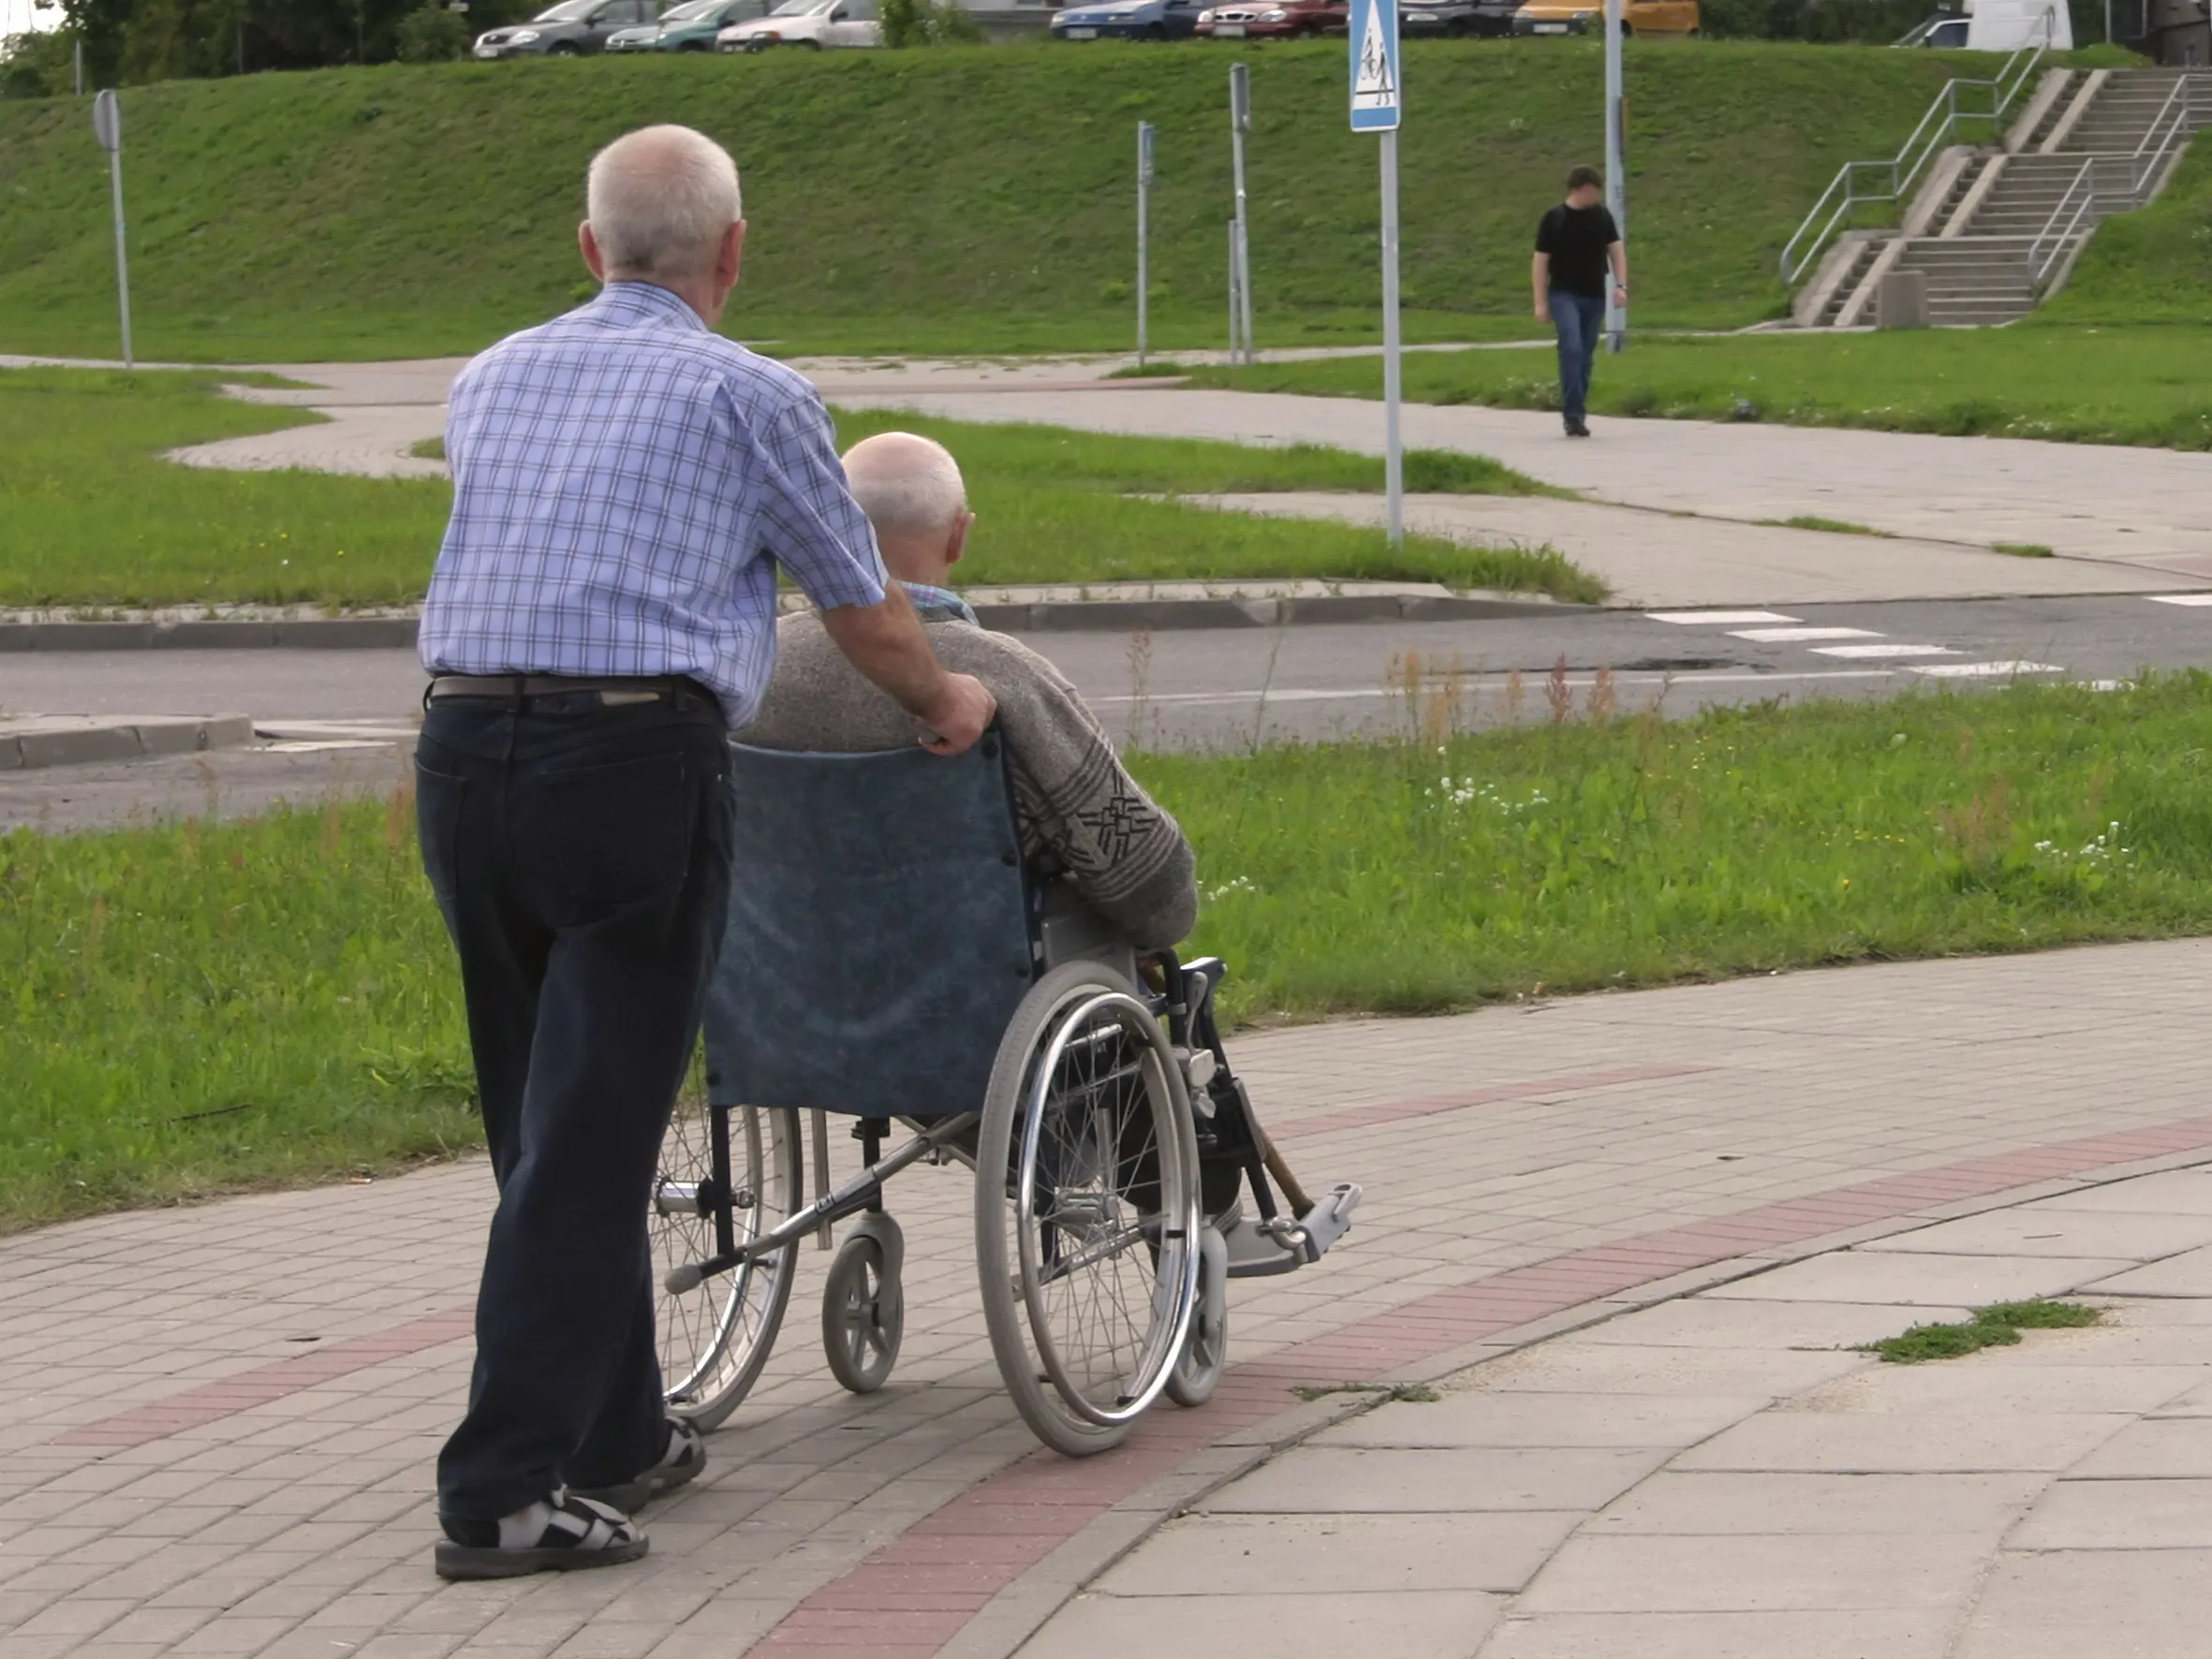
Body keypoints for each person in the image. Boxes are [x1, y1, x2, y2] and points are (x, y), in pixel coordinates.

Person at [412, 126, 995, 1582]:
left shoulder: (489, 376)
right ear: (731, 255)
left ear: (588, 247)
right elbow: (863, 607)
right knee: (596, 1133)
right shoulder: (754, 393)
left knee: (542, 1124)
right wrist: (947, 700)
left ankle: (612, 1432)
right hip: (626, 767)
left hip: (463, 756)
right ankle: (501, 1489)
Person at [742, 431, 1198, 951]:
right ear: (959, 536)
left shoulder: (753, 663)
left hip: (779, 978)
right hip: (974, 982)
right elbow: (1156, 894)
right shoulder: (1006, 678)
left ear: (830, 530)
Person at [1532, 165, 1628, 439]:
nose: (1595, 197)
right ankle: (1572, 416)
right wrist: (1540, 302)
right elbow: (1540, 261)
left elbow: (1617, 251)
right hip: (1563, 294)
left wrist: (1621, 286)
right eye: (1591, 192)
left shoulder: (1601, 216)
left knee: (1585, 355)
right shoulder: (1555, 218)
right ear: (1577, 190)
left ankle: (1577, 412)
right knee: (1571, 347)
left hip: (1594, 295)